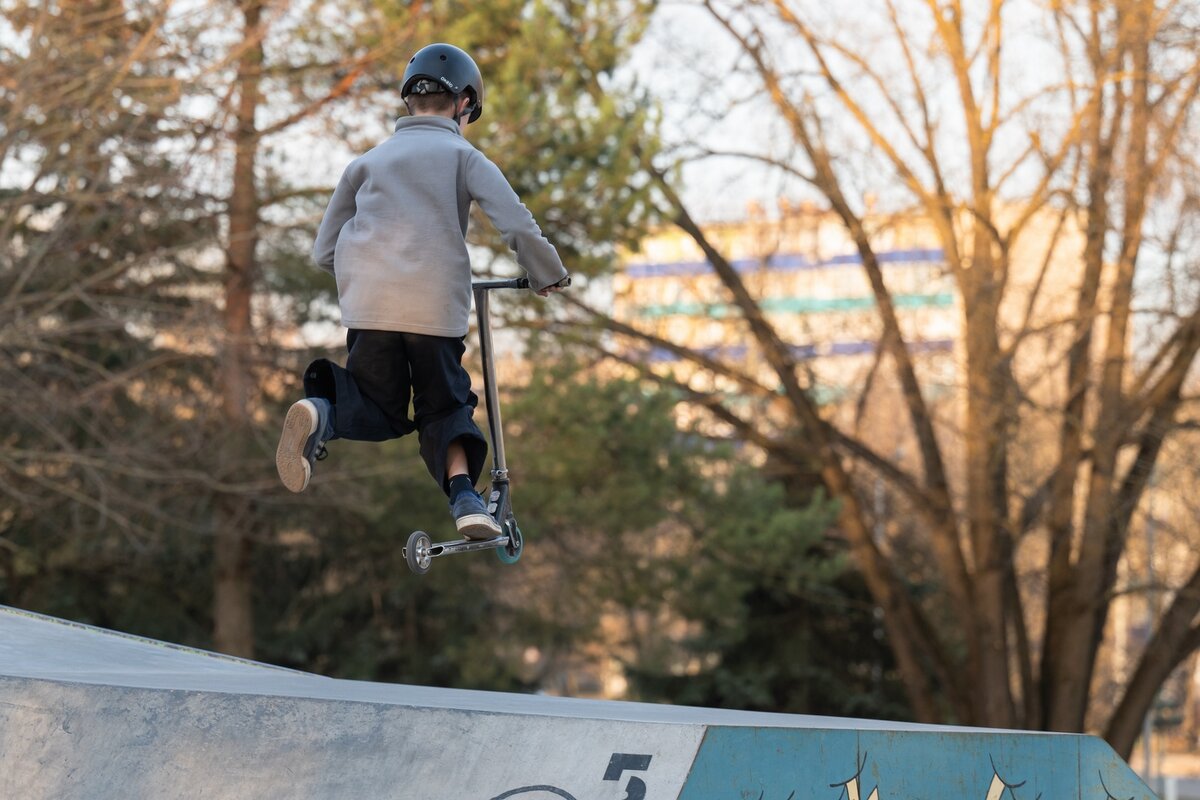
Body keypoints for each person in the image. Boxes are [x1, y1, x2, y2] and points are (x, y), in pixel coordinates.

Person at [275, 42, 568, 541]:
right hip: (432, 309)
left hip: (370, 310)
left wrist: (370, 274)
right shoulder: (464, 156)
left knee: (379, 407)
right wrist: (547, 274)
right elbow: (517, 224)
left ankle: (321, 411)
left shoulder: (365, 163)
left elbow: (324, 251)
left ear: (410, 100)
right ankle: (466, 499)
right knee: (444, 407)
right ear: (464, 103)